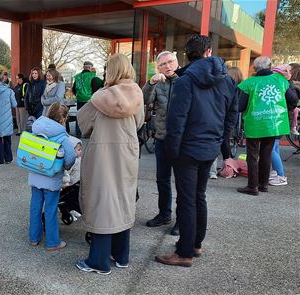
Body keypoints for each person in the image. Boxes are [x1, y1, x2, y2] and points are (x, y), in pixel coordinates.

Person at [155, 35, 238, 267]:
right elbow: (232, 114)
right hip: (209, 147)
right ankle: (195, 244)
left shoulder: (185, 81)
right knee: (198, 196)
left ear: (187, 55)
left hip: (188, 149)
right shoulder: (227, 80)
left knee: (188, 199)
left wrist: (172, 150)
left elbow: (177, 119)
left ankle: (184, 252)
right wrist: (222, 140)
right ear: (208, 52)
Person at [74, 53, 144, 274]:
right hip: (128, 153)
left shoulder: (99, 97)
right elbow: (140, 122)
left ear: (110, 70)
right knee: (123, 199)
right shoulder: (137, 92)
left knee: (103, 200)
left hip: (103, 154)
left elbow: (83, 124)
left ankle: (99, 261)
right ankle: (121, 255)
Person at [235, 57, 298, 196]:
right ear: (270, 66)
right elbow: (294, 99)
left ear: (254, 68)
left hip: (255, 124)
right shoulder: (280, 80)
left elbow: (240, 106)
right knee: (266, 154)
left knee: (252, 156)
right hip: (274, 124)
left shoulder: (248, 83)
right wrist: (288, 81)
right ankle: (263, 185)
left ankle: (252, 187)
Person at [28, 102, 76, 251]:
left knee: (35, 207)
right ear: (64, 119)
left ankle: (33, 238)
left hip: (35, 175)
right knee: (50, 209)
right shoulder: (62, 137)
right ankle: (52, 242)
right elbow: (70, 158)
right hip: (51, 178)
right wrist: (65, 167)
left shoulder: (36, 128)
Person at [142, 51, 180, 236]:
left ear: (177, 62)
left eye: (170, 62)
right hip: (162, 138)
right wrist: (150, 83)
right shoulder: (158, 83)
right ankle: (164, 214)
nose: (167, 66)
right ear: (158, 67)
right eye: (163, 64)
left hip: (182, 140)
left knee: (183, 182)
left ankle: (182, 219)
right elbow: (144, 99)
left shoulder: (185, 80)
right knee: (162, 179)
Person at [210, 67, 244, 178]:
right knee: (224, 138)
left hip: (222, 117)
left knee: (220, 140)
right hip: (233, 117)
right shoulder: (242, 87)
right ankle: (228, 164)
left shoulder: (226, 86)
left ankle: (215, 169)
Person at [72, 61, 100, 137]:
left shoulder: (77, 76)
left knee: (79, 116)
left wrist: (78, 95)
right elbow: (95, 88)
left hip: (80, 99)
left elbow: (74, 89)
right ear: (90, 68)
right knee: (89, 117)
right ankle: (87, 134)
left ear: (84, 67)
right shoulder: (92, 76)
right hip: (89, 100)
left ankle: (78, 133)